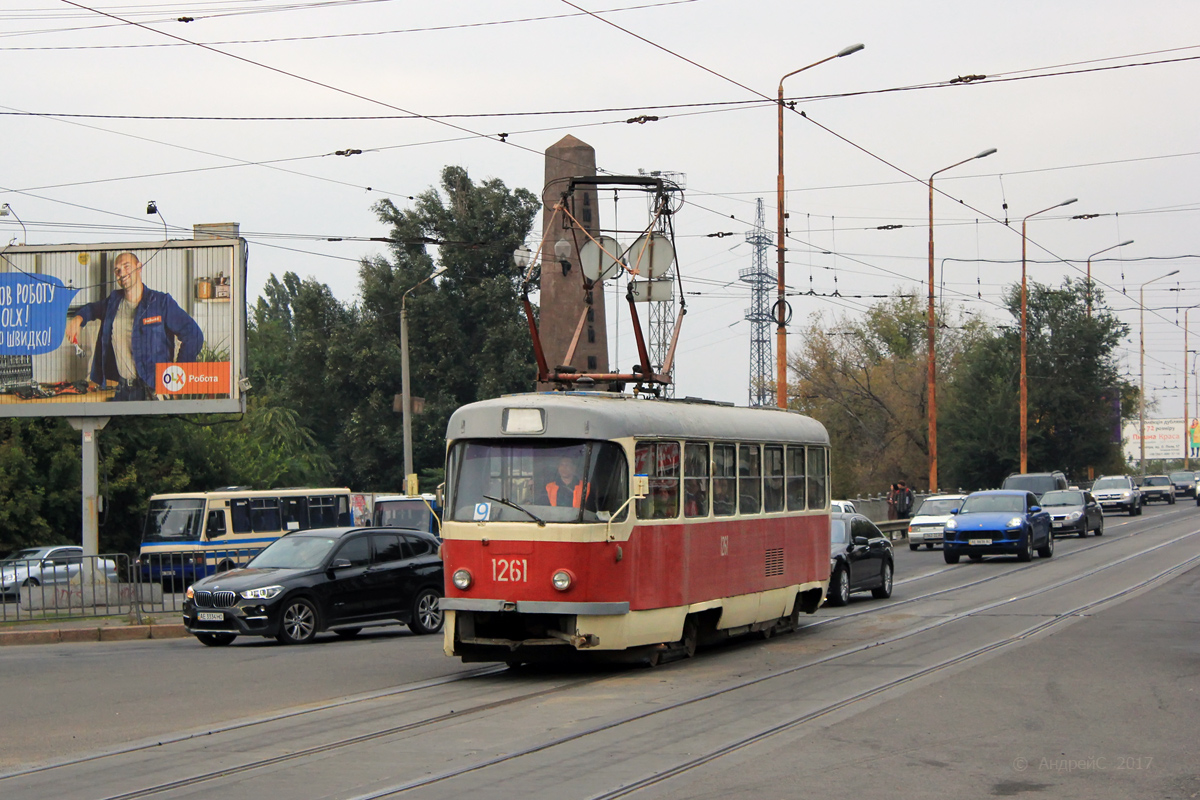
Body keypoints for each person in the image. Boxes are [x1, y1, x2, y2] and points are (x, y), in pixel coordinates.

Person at [64, 252, 202, 401]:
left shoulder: (160, 303)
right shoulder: (113, 302)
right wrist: (77, 319)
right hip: (123, 391)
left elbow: (194, 336)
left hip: (155, 391)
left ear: (139, 267)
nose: (121, 272)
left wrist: (177, 374)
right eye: (117, 270)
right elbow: (91, 309)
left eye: (126, 266)